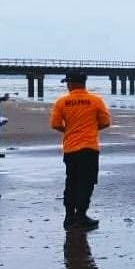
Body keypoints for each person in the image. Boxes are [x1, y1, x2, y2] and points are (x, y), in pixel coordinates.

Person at [49, 72, 111, 231]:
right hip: (89, 147)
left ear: (70, 84)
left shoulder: (62, 102)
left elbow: (55, 124)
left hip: (70, 148)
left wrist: (69, 130)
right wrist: (90, 129)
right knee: (87, 182)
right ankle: (81, 215)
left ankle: (69, 216)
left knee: (71, 180)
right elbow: (105, 122)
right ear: (84, 83)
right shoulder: (95, 101)